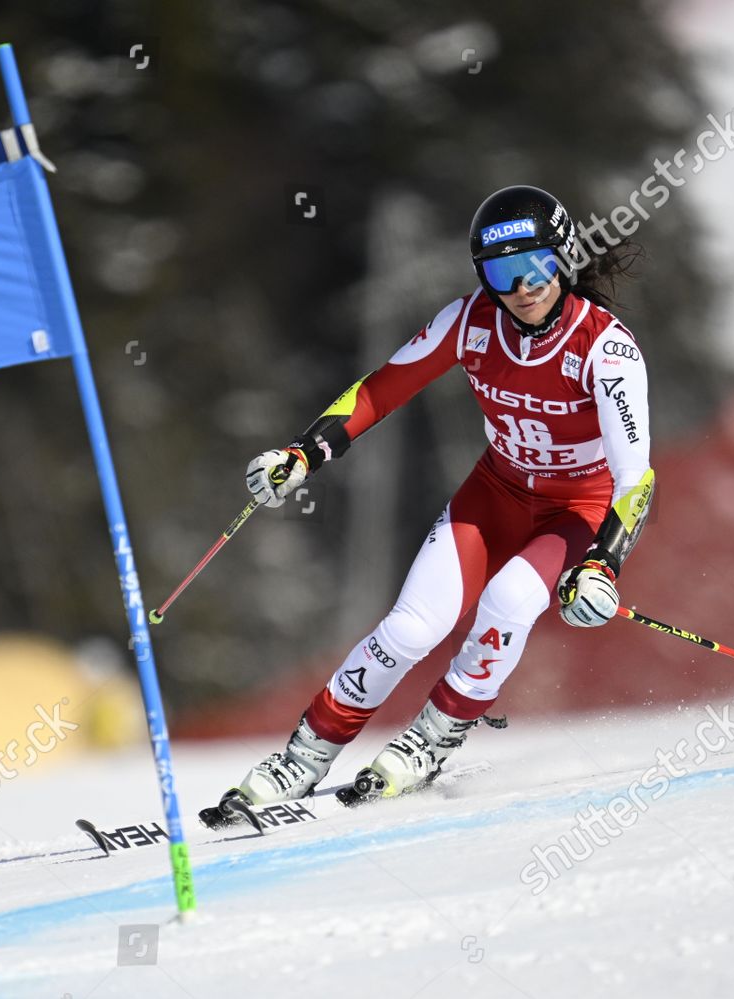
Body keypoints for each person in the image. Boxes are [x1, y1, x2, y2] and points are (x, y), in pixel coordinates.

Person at [236, 185, 654, 804]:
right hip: (496, 494)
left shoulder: (605, 349)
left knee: (510, 601)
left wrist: (602, 564)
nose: (522, 287)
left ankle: (432, 739)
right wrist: (304, 453)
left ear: (562, 256)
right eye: (501, 273)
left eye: (535, 266)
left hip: (576, 510)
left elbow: (635, 476)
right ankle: (304, 756)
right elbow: (381, 390)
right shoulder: (468, 323)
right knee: (409, 630)